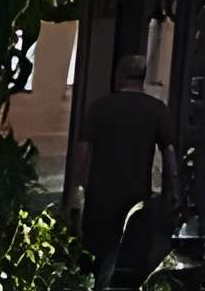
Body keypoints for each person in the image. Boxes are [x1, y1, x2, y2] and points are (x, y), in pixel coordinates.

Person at [73, 53, 174, 276]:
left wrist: (78, 188)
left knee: (96, 258)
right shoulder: (156, 110)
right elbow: (169, 154)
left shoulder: (100, 107)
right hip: (137, 196)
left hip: (100, 196)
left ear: (119, 77)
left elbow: (83, 152)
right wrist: (170, 192)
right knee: (132, 261)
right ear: (143, 78)